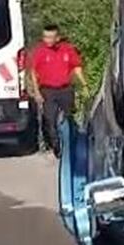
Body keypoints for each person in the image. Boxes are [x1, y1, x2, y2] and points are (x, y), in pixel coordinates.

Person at [27, 24, 86, 157]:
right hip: (48, 91)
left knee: (69, 117)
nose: (47, 40)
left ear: (57, 38)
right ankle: (56, 146)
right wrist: (36, 92)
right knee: (50, 120)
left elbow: (76, 67)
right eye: (45, 37)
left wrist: (84, 84)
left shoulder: (67, 50)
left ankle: (72, 143)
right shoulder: (40, 52)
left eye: (50, 37)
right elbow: (33, 73)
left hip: (65, 89)